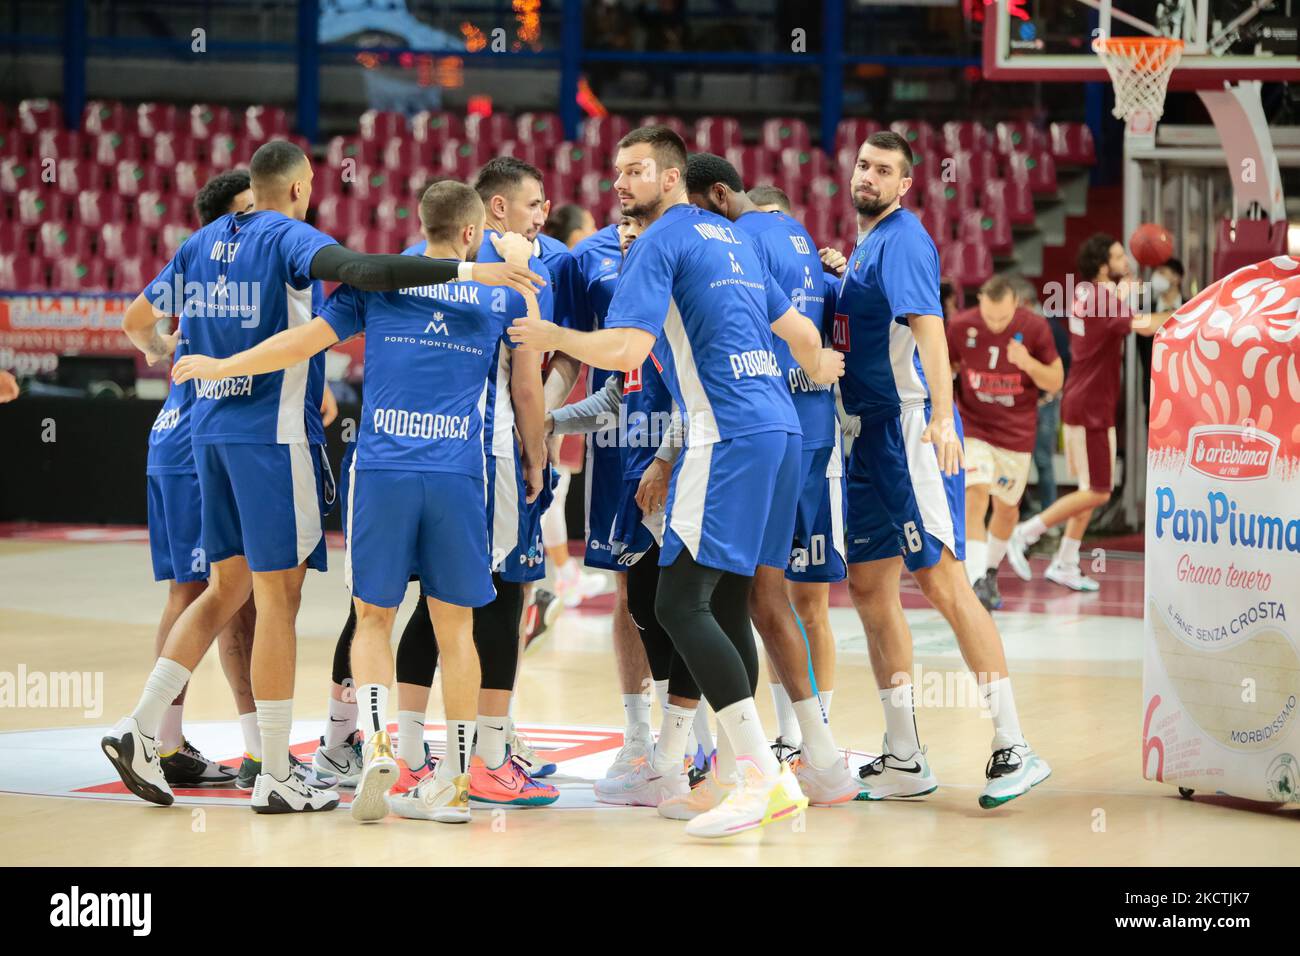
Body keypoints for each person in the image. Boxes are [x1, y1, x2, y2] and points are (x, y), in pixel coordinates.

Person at [103, 139, 543, 814]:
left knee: (243, 593)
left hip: (218, 431)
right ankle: (295, 770)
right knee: (297, 602)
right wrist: (484, 267)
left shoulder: (200, 246)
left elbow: (142, 322)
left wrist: (186, 357)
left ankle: (146, 727)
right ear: (299, 187)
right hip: (302, 442)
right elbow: (366, 273)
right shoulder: (298, 239)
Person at [509, 125, 844, 839]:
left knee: (676, 602)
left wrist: (554, 338)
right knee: (725, 601)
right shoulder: (737, 238)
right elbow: (803, 336)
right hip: (781, 428)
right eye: (616, 171)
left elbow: (628, 349)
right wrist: (816, 371)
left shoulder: (659, 241)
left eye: (635, 171)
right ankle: (743, 771)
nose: (620, 183)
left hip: (727, 434)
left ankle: (760, 776)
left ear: (671, 178)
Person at [835, 131, 1050, 809]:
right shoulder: (870, 245)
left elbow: (929, 329)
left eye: (884, 170)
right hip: (866, 436)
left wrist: (940, 416)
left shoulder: (902, 238)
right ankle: (904, 756)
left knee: (943, 580)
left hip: (907, 431)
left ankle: (1014, 743)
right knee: (869, 588)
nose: (869, 176)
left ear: (905, 185)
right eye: (863, 165)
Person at [681, 151, 857, 807]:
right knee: (784, 599)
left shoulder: (737, 240)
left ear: (719, 198)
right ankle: (811, 754)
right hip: (809, 432)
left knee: (724, 598)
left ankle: (745, 763)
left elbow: (740, 334)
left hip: (754, 430)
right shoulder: (801, 238)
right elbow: (813, 332)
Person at [144, 169, 255, 788]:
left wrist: (161, 345)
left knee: (212, 591)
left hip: (175, 437)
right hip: (193, 442)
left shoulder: (197, 270)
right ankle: (160, 742)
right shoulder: (220, 269)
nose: (257, 218)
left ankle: (173, 741)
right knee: (207, 593)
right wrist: (168, 349)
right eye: (246, 210)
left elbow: (136, 323)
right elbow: (136, 321)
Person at [1005, 234, 1169, 592]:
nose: (1126, 261)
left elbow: (1112, 316)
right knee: (1098, 491)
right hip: (1092, 406)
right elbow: (1145, 326)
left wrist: (1122, 295)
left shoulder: (1085, 292)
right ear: (1102, 265)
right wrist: (1183, 313)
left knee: (1088, 490)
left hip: (1083, 400)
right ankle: (1026, 533)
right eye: (1118, 257)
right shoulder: (1103, 300)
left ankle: (1065, 562)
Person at [946, 275, 1062, 611]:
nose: (995, 324)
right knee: (975, 494)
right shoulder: (961, 325)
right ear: (980, 301)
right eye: (989, 317)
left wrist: (1027, 363)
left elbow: (1055, 381)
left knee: (1007, 508)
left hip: (1015, 433)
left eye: (1003, 318)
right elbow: (945, 366)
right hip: (974, 426)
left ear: (1016, 305)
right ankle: (975, 581)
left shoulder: (1035, 327)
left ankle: (989, 572)